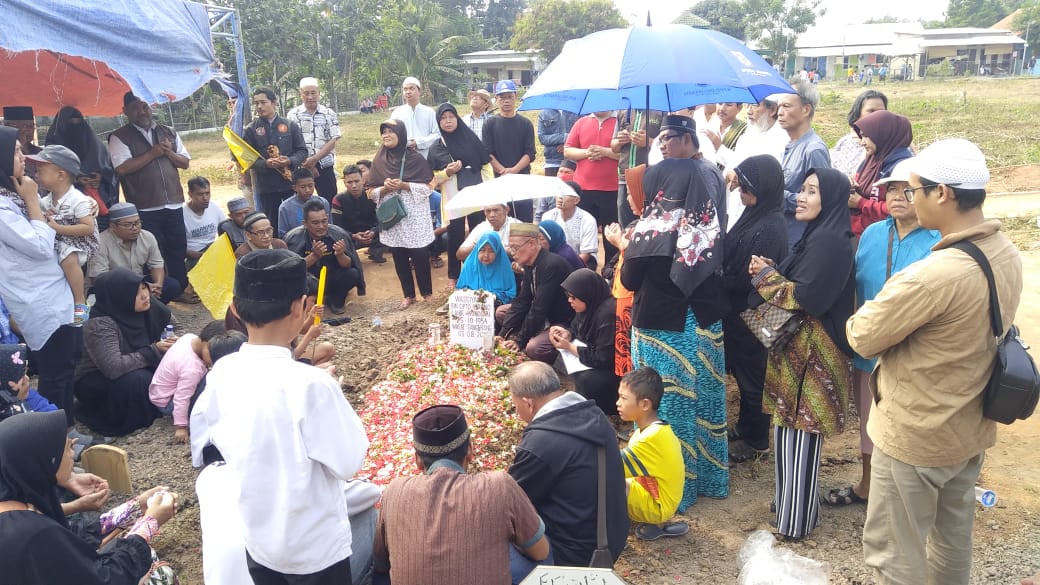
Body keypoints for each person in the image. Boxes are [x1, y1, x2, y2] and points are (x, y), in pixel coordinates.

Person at [847, 139, 1022, 584]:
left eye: (913, 190)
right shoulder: (1005, 252)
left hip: (917, 435)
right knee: (951, 538)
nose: (905, 198)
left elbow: (862, 336)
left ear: (941, 193)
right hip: (968, 426)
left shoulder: (933, 274)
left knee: (895, 554)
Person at [191, 249, 370, 585]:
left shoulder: (221, 373)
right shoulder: (311, 384)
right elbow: (349, 462)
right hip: (314, 550)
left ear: (234, 308)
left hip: (259, 541)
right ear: (300, 308)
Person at [621, 114, 730, 511]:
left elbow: (631, 279)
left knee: (668, 406)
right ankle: (712, 480)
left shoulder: (654, 228)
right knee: (706, 399)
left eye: (670, 140)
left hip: (663, 329)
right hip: (705, 321)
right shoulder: (709, 220)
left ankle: (673, 492)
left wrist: (626, 242)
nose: (663, 146)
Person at [824, 158, 939, 508]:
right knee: (869, 419)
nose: (896, 196)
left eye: (906, 189)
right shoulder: (874, 233)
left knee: (911, 422)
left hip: (914, 351)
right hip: (869, 346)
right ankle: (868, 484)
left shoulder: (939, 241)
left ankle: (909, 494)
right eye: (890, 188)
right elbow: (854, 287)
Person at [748, 167, 856, 540]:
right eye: (803, 190)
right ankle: (789, 509)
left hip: (817, 355)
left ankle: (796, 523)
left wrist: (765, 277)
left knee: (803, 437)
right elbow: (800, 285)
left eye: (812, 191)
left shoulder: (832, 242)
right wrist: (772, 272)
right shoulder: (818, 236)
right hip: (799, 352)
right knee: (788, 433)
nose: (802, 197)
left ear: (831, 199)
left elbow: (808, 297)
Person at [373, 405, 550, 585]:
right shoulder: (500, 486)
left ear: (417, 459)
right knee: (540, 549)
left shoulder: (393, 492)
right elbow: (540, 552)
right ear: (470, 450)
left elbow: (380, 564)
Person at [0, 410, 178, 584]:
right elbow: (103, 578)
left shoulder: (14, 501)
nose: (72, 451)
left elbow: (68, 538)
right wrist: (149, 524)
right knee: (159, 575)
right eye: (66, 446)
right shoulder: (34, 533)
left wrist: (134, 508)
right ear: (45, 461)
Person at [507, 361, 629, 567]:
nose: (517, 413)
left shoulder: (541, 442)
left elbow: (511, 502)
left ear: (528, 403)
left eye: (515, 405)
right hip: (610, 538)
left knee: (488, 545)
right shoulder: (592, 413)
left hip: (574, 554)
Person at [0, 126, 82, 429]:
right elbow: (38, 246)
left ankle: (69, 428)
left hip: (60, 296)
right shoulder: (4, 207)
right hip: (41, 302)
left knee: (68, 363)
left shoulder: (12, 196)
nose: (24, 157)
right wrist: (34, 202)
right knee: (55, 372)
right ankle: (56, 437)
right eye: (17, 151)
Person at [721, 155, 789, 463]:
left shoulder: (772, 226)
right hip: (739, 311)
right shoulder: (754, 215)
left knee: (755, 378)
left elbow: (755, 278)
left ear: (763, 187)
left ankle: (758, 439)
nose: (740, 192)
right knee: (744, 372)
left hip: (755, 313)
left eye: (746, 187)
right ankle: (746, 426)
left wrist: (721, 278)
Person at [109, 92, 192, 299]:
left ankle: (180, 288)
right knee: (154, 250)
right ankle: (158, 292)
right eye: (136, 108)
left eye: (145, 106)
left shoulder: (168, 132)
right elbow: (122, 168)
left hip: (173, 202)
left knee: (177, 247)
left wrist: (169, 153)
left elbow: (185, 162)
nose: (142, 111)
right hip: (144, 205)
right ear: (125, 111)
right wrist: (153, 154)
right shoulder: (120, 136)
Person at [74, 268, 174, 437]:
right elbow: (113, 367)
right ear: (120, 297)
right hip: (96, 378)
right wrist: (153, 350)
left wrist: (173, 341)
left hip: (136, 361)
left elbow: (174, 325)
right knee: (141, 380)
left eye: (144, 287)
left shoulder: (148, 305)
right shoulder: (100, 324)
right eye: (136, 292)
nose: (144, 295)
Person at [367, 119, 436, 309]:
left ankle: (427, 293)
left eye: (391, 131)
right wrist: (385, 188)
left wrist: (404, 185)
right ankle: (408, 295)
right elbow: (370, 192)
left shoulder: (415, 159)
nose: (386, 135)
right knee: (398, 256)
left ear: (401, 134)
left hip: (415, 217)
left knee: (420, 255)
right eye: (384, 132)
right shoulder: (379, 160)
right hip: (393, 217)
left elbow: (430, 187)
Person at [615, 367, 687, 540]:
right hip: (660, 495)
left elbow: (612, 467)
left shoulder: (649, 439)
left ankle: (611, 534)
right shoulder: (656, 428)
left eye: (624, 398)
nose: (618, 402)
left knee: (602, 483)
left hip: (658, 505)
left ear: (645, 404)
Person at [30, 145, 99, 325]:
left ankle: (79, 301)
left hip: (80, 242)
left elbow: (88, 227)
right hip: (61, 241)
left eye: (41, 171)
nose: (37, 175)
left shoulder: (78, 199)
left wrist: (57, 228)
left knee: (68, 258)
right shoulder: (46, 200)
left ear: (61, 175)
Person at [429, 102, 491, 286]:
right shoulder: (437, 147)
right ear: (438, 122)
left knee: (478, 230)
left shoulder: (471, 139)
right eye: (443, 118)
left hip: (475, 193)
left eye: (451, 117)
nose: (448, 121)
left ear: (457, 118)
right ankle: (454, 276)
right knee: (454, 235)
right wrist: (446, 172)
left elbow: (485, 165)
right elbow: (432, 178)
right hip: (453, 194)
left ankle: (478, 271)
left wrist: (487, 191)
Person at [497, 223, 575, 363]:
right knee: (501, 312)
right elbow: (523, 300)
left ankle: (563, 357)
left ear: (532, 243)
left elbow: (539, 308)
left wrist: (519, 341)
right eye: (510, 248)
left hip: (562, 321)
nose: (512, 253)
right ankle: (528, 333)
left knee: (534, 348)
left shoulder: (551, 265)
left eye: (515, 248)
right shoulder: (529, 263)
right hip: (542, 316)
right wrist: (503, 333)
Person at [148, 320, 231, 444]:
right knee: (213, 379)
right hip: (168, 402)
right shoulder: (192, 369)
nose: (215, 359)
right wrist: (181, 427)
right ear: (206, 344)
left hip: (159, 392)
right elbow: (181, 398)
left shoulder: (189, 337)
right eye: (214, 354)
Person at [549, 268, 619, 416]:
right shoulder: (590, 305)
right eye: (568, 296)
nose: (569, 301)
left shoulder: (607, 315)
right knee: (561, 355)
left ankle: (604, 409)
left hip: (613, 369)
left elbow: (603, 358)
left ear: (587, 294)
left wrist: (569, 347)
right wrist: (567, 334)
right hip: (594, 355)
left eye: (573, 297)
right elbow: (576, 326)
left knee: (586, 380)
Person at [243, 87, 308, 237]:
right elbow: (247, 159)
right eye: (256, 103)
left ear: (274, 103)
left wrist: (289, 160)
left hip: (290, 184)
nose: (259, 107)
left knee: (296, 219)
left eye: (263, 102)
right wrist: (265, 164)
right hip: (266, 187)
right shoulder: (251, 130)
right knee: (271, 222)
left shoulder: (290, 126)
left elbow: (302, 151)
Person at [721, 96, 792, 230]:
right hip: (736, 208)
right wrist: (731, 175)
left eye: (754, 106)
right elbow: (734, 164)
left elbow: (770, 179)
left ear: (772, 110)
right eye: (748, 106)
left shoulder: (782, 140)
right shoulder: (747, 136)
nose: (749, 111)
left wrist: (742, 179)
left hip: (760, 215)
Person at [88, 203, 182, 304]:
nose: (135, 228)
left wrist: (157, 286)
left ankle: (150, 310)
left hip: (139, 281)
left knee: (172, 286)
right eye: (128, 225)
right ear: (113, 226)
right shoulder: (101, 242)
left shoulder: (147, 236)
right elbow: (99, 279)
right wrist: (137, 287)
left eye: (137, 223)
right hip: (114, 286)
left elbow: (156, 265)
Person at [44, 106, 119, 229]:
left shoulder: (96, 146)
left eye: (78, 123)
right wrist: (75, 179)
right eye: (70, 123)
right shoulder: (51, 150)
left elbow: (111, 173)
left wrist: (100, 178)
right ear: (60, 126)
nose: (75, 126)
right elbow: (47, 178)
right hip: (65, 210)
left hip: (99, 206)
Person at [284, 200, 365, 313]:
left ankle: (335, 300)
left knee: (352, 274)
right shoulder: (294, 238)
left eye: (324, 221)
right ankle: (308, 304)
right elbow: (291, 270)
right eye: (315, 223)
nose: (321, 226)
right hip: (309, 281)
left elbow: (348, 265)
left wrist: (340, 254)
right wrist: (314, 256)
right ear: (305, 223)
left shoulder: (339, 234)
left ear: (328, 217)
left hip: (332, 276)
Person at [778, 78, 831, 248]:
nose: (779, 112)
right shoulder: (790, 145)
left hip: (800, 240)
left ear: (806, 109)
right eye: (779, 106)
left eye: (786, 106)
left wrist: (776, 195)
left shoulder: (813, 150)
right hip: (785, 234)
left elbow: (821, 200)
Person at [564, 111, 620, 263]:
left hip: (611, 188)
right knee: (584, 233)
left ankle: (610, 269)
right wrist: (587, 152)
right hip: (584, 188)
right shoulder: (582, 122)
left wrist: (605, 152)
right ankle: (587, 268)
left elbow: (627, 154)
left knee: (611, 233)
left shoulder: (619, 122)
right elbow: (568, 150)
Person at [849, 110, 913, 237]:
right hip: (863, 233)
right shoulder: (873, 159)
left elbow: (902, 207)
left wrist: (861, 203)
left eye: (867, 136)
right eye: (861, 136)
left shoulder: (901, 168)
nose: (862, 142)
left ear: (883, 134)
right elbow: (859, 181)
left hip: (886, 238)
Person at [483, 80, 537, 221]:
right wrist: (502, 171)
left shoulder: (526, 124)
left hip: (522, 178)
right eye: (502, 97)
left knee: (524, 220)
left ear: (515, 98)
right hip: (499, 178)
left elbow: (530, 153)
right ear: (496, 99)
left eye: (509, 97)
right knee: (501, 219)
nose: (506, 101)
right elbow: (487, 152)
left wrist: (513, 171)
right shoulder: (490, 123)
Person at [287, 77, 342, 203]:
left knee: (329, 200)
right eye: (306, 93)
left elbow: (333, 140)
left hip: (325, 165)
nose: (310, 97)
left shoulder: (329, 113)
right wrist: (308, 163)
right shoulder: (293, 115)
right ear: (301, 94)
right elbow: (292, 141)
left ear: (319, 93)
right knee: (301, 200)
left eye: (313, 93)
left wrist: (315, 160)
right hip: (301, 165)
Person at [611, 109, 664, 227]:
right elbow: (613, 146)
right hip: (624, 177)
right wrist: (619, 141)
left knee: (649, 219)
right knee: (625, 223)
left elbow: (667, 143)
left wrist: (649, 142)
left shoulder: (660, 112)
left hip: (649, 177)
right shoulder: (623, 112)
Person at [332, 164, 386, 263]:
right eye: (349, 182)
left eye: (357, 181)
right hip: (350, 237)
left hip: (371, 235)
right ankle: (349, 258)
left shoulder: (372, 196)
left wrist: (373, 231)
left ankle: (376, 252)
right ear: (344, 183)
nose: (354, 186)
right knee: (336, 240)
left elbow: (383, 220)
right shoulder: (338, 200)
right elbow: (337, 226)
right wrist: (353, 235)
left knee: (388, 229)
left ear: (363, 181)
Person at [830, 90, 888, 179]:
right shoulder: (845, 143)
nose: (877, 116)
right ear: (858, 113)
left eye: (881, 112)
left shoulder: (892, 144)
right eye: (871, 111)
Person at [540, 183, 599, 268]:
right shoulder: (547, 216)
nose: (560, 197)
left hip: (579, 262)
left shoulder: (588, 220)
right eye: (559, 193)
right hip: (552, 261)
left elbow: (586, 254)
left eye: (565, 194)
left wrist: (566, 268)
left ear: (576, 200)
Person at [537, 108, 580, 221]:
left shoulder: (577, 111)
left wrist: (568, 145)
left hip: (573, 160)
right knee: (551, 197)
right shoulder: (544, 113)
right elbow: (542, 138)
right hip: (552, 161)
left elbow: (581, 134)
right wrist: (566, 137)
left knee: (572, 194)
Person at [453, 231, 516, 306]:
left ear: (497, 251)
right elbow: (461, 289)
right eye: (482, 250)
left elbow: (510, 294)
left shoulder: (505, 268)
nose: (486, 255)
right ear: (477, 249)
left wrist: (494, 297)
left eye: (491, 251)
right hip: (471, 307)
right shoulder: (470, 264)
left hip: (496, 306)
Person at [182, 176, 226, 273]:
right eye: (200, 194)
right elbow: (179, 247)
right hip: (193, 256)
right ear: (190, 194)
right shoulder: (181, 213)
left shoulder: (214, 207)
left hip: (212, 249)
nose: (205, 198)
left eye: (207, 193)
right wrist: (202, 255)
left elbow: (226, 230)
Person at [390, 77, 440, 159]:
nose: (408, 92)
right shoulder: (397, 113)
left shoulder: (430, 112)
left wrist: (418, 142)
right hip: (403, 158)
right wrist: (406, 144)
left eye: (411, 88)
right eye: (405, 89)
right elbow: (392, 135)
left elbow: (437, 135)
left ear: (419, 91)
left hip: (426, 157)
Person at [277, 167, 330, 238]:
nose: (307, 190)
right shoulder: (285, 207)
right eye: (303, 187)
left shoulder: (323, 202)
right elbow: (283, 234)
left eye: (310, 186)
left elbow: (329, 227)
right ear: (294, 188)